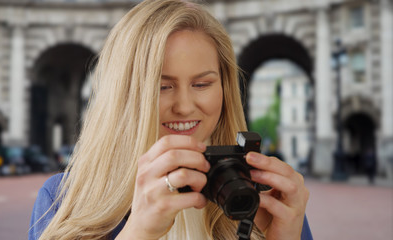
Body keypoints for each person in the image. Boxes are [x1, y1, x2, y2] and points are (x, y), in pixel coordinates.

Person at [29, 1, 312, 239]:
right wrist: (136, 232)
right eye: (163, 87)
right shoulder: (61, 199)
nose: (185, 107)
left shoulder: (268, 201)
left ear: (225, 88)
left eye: (202, 85)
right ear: (123, 96)